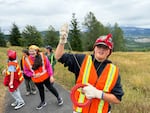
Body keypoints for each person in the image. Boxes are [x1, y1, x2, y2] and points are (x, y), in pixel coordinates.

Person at [55, 24, 124, 113]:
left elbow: (117, 99)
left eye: (105, 48)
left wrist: (98, 94)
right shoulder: (82, 60)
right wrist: (62, 41)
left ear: (109, 52)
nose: (101, 49)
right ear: (94, 48)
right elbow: (58, 56)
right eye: (99, 46)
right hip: (80, 110)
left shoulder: (113, 71)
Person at [23, 45, 63, 110]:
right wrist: (32, 75)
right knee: (41, 90)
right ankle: (43, 102)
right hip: (36, 79)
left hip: (46, 77)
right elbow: (26, 71)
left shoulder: (42, 56)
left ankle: (58, 98)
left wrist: (51, 76)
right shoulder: (26, 60)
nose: (32, 53)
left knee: (50, 87)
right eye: (30, 51)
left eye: (33, 51)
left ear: (37, 51)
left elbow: (48, 66)